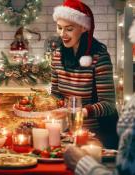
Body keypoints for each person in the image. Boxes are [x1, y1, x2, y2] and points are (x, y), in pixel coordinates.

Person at [51, 0, 118, 148]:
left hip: (98, 135)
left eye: (69, 29)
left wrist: (79, 112)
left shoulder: (99, 56)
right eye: (59, 28)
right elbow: (56, 94)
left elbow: (108, 105)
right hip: (68, 134)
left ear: (83, 27)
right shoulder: (56, 55)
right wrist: (54, 105)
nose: (63, 34)